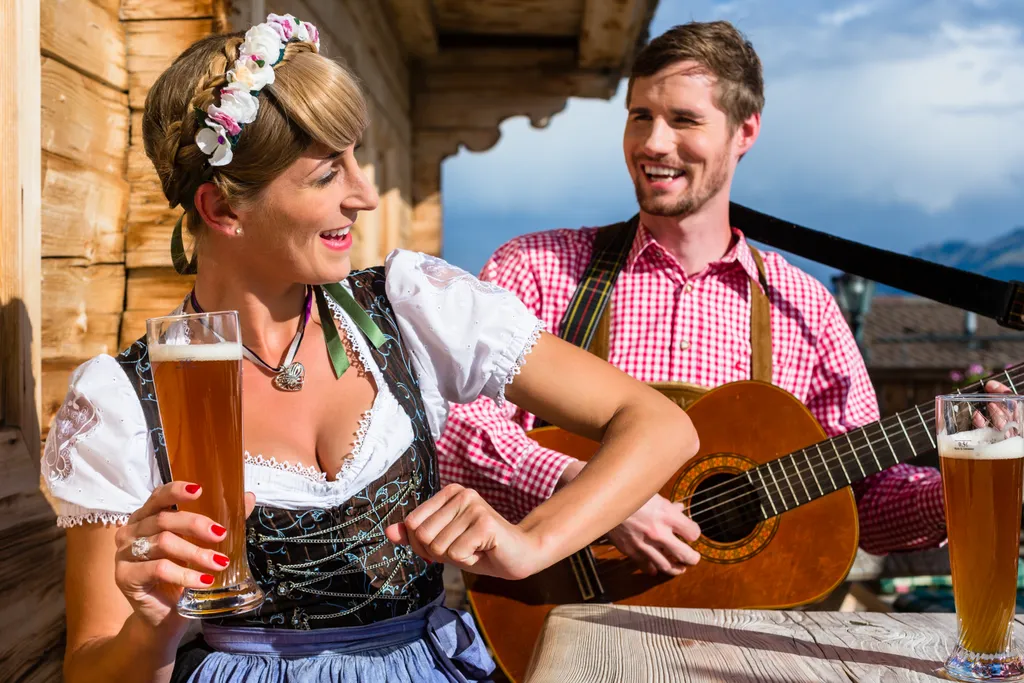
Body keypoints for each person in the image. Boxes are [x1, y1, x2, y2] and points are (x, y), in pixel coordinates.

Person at [42, 14, 700, 683]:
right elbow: (91, 668)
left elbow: (660, 425)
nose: (363, 193)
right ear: (222, 210)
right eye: (329, 173)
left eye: (358, 158)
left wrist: (532, 542)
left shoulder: (409, 308)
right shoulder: (123, 400)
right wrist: (154, 628)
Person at [437, 20, 952, 576]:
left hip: (741, 641)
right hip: (550, 621)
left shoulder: (805, 309)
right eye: (641, 117)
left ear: (744, 132)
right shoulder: (538, 270)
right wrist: (601, 498)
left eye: (684, 120)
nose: (654, 143)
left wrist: (985, 474)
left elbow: (865, 507)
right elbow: (451, 426)